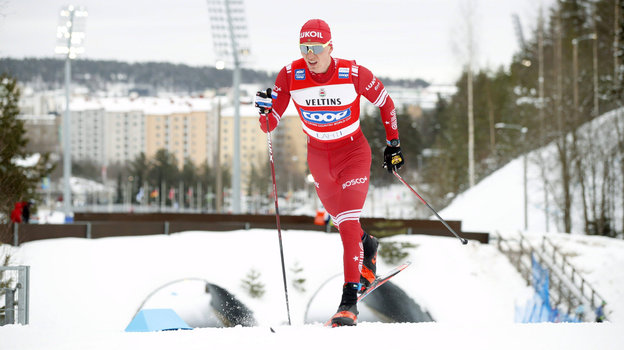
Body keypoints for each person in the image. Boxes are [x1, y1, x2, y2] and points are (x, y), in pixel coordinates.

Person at [254, 19, 404, 327]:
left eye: (317, 48)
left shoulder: (353, 73)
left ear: (330, 47)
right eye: (305, 48)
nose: (311, 55)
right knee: (344, 225)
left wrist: (393, 145)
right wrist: (265, 110)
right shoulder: (291, 75)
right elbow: (270, 124)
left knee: (348, 224)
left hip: (353, 154)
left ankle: (348, 303)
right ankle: (369, 245)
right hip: (318, 158)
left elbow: (386, 102)